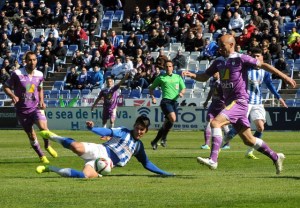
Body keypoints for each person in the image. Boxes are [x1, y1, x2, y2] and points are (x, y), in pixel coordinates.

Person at [182, 35, 296, 174]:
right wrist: (191, 75)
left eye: (222, 45)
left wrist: (285, 77)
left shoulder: (241, 58)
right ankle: (275, 156)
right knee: (248, 140)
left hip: (240, 101)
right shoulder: (218, 62)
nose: (219, 47)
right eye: (218, 44)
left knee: (215, 123)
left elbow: (264, 65)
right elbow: (204, 77)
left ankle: (213, 160)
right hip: (232, 103)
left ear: (231, 45)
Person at [36, 115, 174, 178]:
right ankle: (52, 136)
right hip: (101, 150)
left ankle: (50, 169)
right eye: (137, 128)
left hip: (104, 165)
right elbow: (107, 131)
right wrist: (93, 129)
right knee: (76, 147)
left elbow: (147, 163)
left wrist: (165, 173)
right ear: (134, 126)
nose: (139, 131)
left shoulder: (138, 147)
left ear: (146, 131)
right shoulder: (124, 131)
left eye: (142, 130)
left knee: (84, 176)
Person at [222, 47, 288, 159]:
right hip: (244, 101)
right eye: (254, 56)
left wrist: (279, 98)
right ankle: (223, 141)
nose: (256, 58)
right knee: (239, 127)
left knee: (261, 127)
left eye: (258, 56)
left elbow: (270, 85)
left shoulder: (264, 72)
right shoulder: (246, 68)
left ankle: (250, 151)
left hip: (257, 102)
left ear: (262, 57)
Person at [3, 51, 58, 164]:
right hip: (22, 110)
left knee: (44, 128)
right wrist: (13, 96)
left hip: (36, 107)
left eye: (34, 60)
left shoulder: (39, 74)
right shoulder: (17, 74)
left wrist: (42, 101)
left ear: (36, 61)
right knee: (32, 135)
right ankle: (41, 156)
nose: (32, 62)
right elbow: (6, 87)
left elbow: (40, 88)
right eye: (30, 60)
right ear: (25, 61)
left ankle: (47, 145)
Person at [149, 60, 186, 150]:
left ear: (173, 67)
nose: (168, 68)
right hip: (166, 101)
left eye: (170, 66)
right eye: (166, 66)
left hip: (175, 102)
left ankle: (155, 141)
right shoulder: (161, 78)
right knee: (173, 118)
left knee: (168, 123)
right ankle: (164, 138)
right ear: (165, 68)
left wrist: (181, 92)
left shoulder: (177, 77)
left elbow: (184, 88)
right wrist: (153, 97)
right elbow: (151, 88)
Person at [201, 72, 230, 150]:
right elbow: (211, 91)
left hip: (221, 105)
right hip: (213, 104)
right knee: (208, 121)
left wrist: (225, 106)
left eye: (215, 72)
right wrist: (207, 101)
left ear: (219, 73)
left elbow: (226, 94)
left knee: (223, 125)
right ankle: (206, 144)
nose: (213, 73)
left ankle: (227, 144)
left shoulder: (223, 82)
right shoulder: (212, 80)